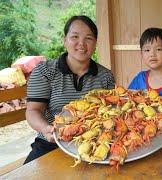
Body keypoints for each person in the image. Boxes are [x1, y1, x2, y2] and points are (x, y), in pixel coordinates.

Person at [24, 15, 115, 164]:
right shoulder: (45, 71)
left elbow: (110, 112)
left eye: (88, 38)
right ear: (65, 40)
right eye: (75, 37)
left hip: (94, 143)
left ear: (95, 43)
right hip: (52, 142)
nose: (81, 44)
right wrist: (46, 129)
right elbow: (33, 110)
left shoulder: (105, 76)